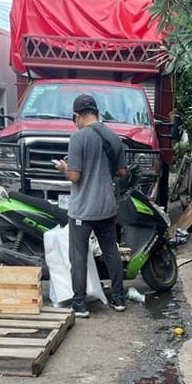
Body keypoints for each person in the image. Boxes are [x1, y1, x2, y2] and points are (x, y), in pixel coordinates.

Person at [56, 94, 128, 317]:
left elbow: (75, 176)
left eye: (73, 118)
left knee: (78, 257)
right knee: (111, 253)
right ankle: (118, 299)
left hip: (82, 210)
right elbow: (123, 173)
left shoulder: (78, 138)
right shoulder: (114, 137)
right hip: (106, 208)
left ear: (77, 116)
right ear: (96, 112)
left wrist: (63, 168)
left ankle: (80, 305)